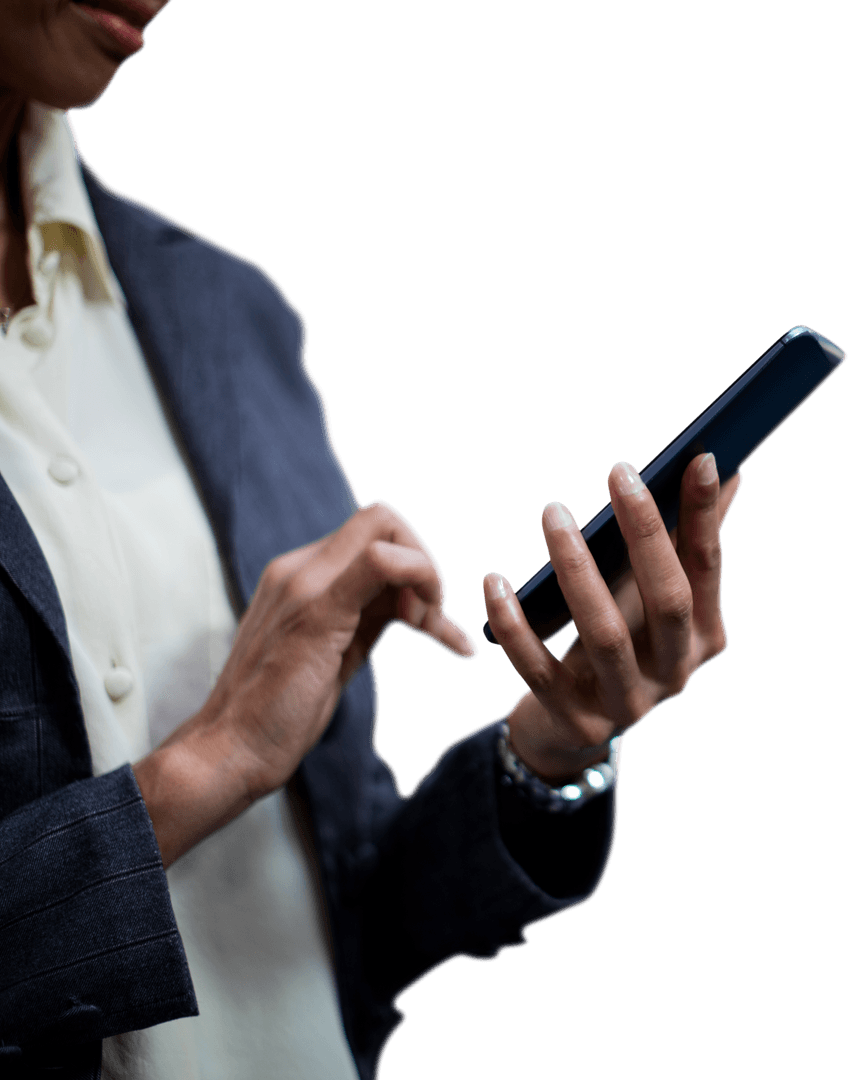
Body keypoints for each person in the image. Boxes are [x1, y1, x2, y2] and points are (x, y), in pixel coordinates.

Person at [0, 2, 743, 1078]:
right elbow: (221, 771)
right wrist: (203, 766)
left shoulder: (230, 312)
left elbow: (333, 918)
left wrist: (552, 749)